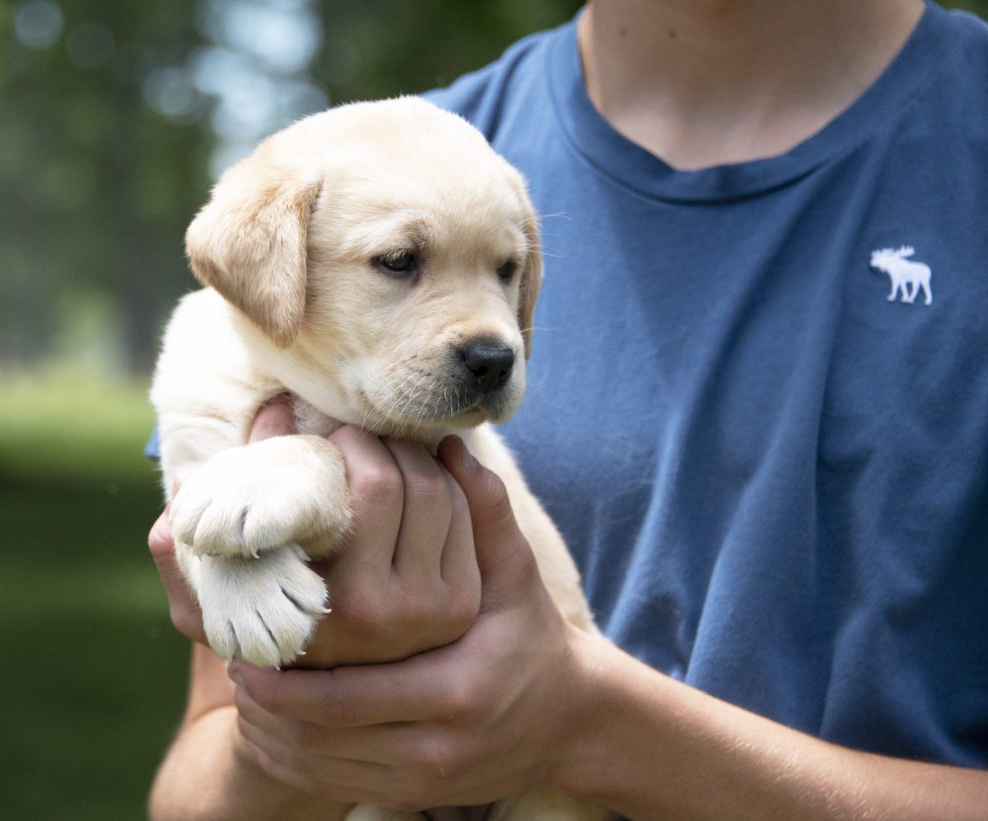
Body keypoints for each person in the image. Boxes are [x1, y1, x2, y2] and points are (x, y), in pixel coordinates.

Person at [146, 0, 988, 817]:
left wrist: (582, 726)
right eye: (401, 261)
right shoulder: (416, 148)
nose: (494, 334)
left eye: (508, 274)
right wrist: (335, 711)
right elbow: (204, 777)